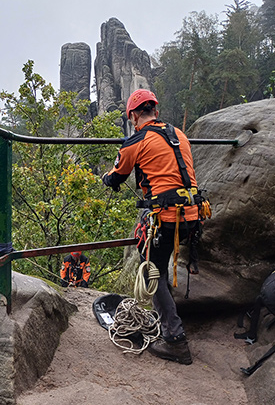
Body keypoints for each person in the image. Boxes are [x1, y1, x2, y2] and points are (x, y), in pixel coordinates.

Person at [102, 89, 201, 365]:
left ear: (134, 115)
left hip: (167, 217)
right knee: (160, 264)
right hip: (192, 214)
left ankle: (175, 339)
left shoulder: (137, 140)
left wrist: (106, 177)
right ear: (155, 111)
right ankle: (166, 319)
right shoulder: (178, 134)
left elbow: (117, 176)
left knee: (151, 273)